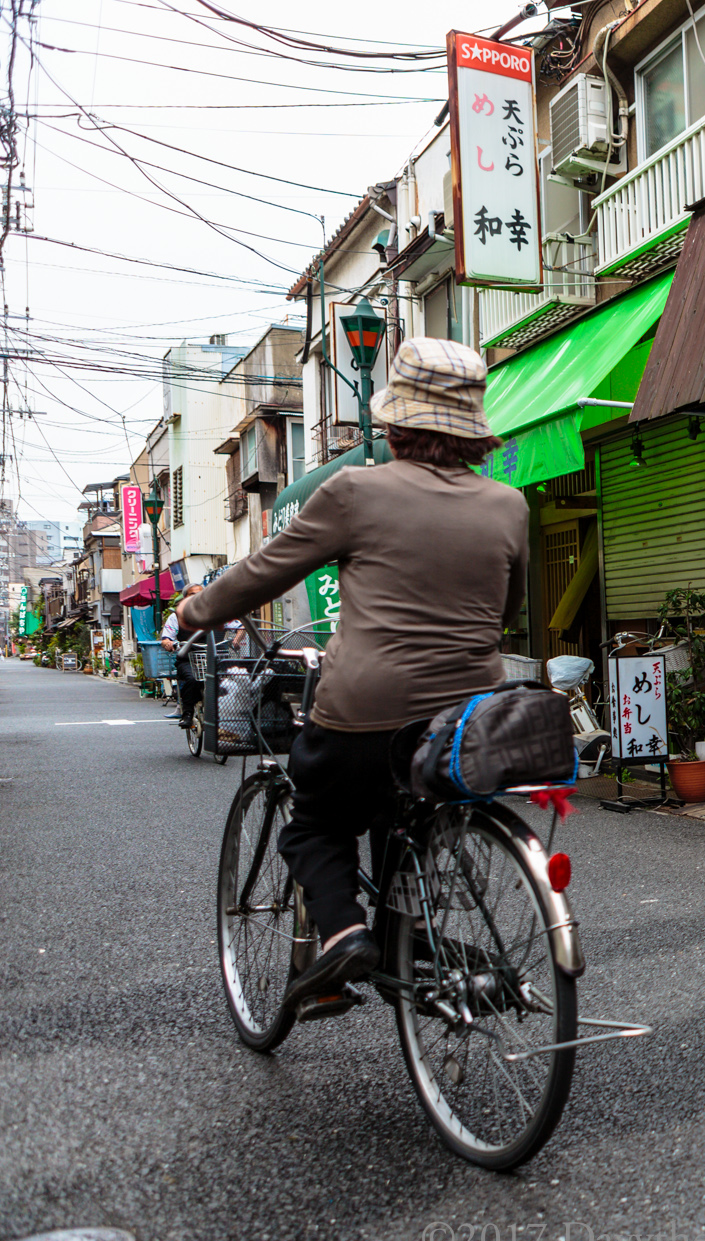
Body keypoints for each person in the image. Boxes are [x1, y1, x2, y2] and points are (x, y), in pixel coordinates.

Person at [179, 338, 528, 1018]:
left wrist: (195, 609)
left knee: (316, 819)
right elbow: (503, 613)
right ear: (471, 431)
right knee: (405, 808)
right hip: (467, 717)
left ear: (397, 422)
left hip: (367, 705)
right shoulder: (508, 504)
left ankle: (341, 934)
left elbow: (263, 572)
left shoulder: (356, 490)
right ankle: (412, 937)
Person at [159, 593, 244, 730]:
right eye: (192, 594)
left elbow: (240, 627)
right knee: (191, 679)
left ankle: (233, 714)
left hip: (217, 657)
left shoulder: (217, 613)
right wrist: (168, 643)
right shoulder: (177, 617)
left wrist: (236, 640)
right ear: (185, 598)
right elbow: (166, 638)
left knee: (231, 681)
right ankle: (187, 713)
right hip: (188, 658)